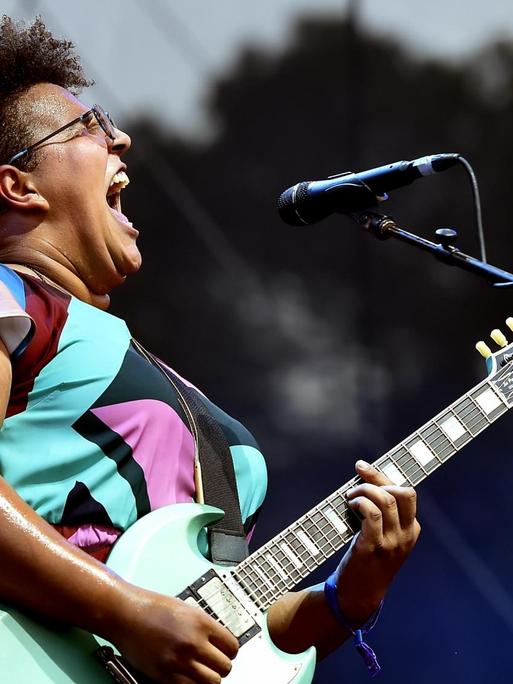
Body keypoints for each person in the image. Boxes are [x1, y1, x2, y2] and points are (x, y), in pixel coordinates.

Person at [0, 16, 420, 684]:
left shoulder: (147, 371)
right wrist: (124, 611)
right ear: (18, 186)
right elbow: (147, 617)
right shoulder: (12, 297)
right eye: (88, 126)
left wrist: (352, 595)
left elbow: (227, 632)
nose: (121, 137)